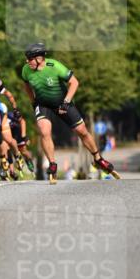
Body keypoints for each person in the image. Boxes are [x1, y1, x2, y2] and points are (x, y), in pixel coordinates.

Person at [21, 43, 120, 183]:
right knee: (44, 131)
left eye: (30, 58)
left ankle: (98, 159)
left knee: (82, 130)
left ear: (39, 58)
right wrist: (33, 102)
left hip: (62, 102)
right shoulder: (26, 70)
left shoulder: (55, 66)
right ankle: (53, 164)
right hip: (43, 105)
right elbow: (26, 86)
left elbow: (74, 82)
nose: (27, 61)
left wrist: (66, 102)